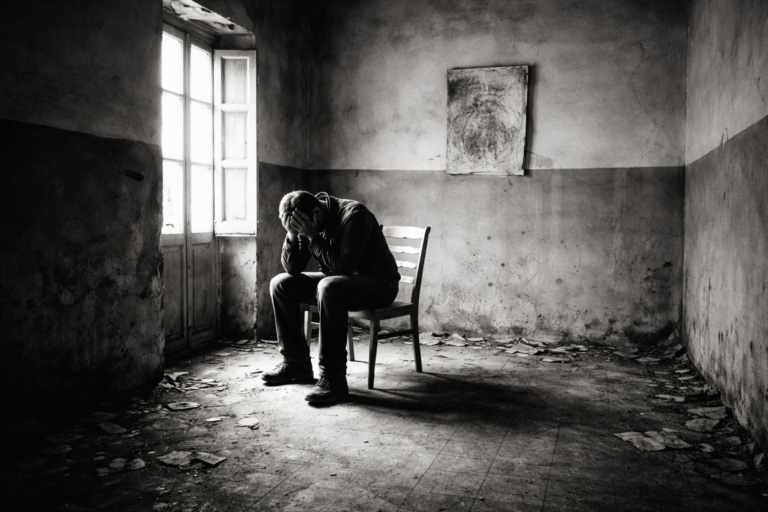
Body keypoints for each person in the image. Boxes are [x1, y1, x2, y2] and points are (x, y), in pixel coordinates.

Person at [265, 191, 400, 404]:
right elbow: (292, 268)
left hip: (379, 284)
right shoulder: (307, 218)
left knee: (329, 286)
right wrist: (292, 235)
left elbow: (343, 267)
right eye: (293, 226)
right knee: (281, 284)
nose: (299, 229)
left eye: (298, 226)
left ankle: (333, 380)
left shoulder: (355, 215)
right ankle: (295, 363)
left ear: (317, 213)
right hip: (336, 283)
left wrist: (311, 236)